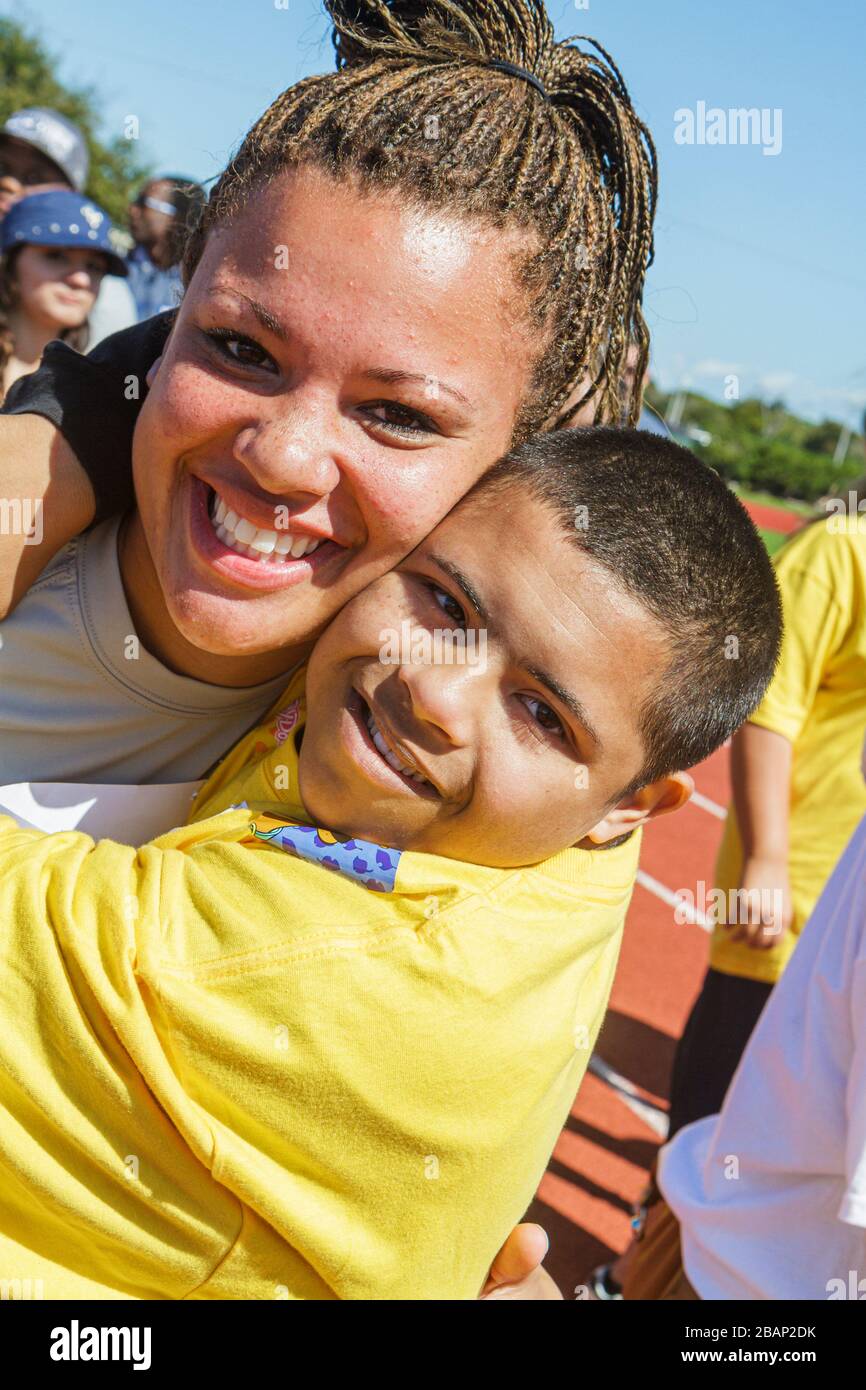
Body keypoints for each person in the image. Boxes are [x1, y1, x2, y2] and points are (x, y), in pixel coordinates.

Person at [0, 427, 782, 1299]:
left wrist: (57, 443)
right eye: (447, 604)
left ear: (628, 808)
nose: (434, 691)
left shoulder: (296, 966)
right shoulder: (557, 824)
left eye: (541, 714)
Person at [0, 0, 658, 782]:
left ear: (523, 449)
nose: (283, 460)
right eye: (240, 348)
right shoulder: (33, 507)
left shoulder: (506, 763)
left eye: (398, 415)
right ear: (181, 297)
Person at [623, 774, 866, 1300]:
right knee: (707, 1095)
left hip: (738, 1256)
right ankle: (629, 1256)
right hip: (762, 1285)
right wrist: (766, 860)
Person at [0, 107, 137, 347]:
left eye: (34, 177)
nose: (8, 183)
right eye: (2, 169)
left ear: (72, 194)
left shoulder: (100, 293)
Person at [0, 189, 129, 402]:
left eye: (94, 266)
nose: (81, 280)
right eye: (56, 256)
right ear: (10, 263)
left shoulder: (100, 387)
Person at [125, 174, 205, 321]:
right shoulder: (119, 271)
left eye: (143, 203)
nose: (132, 210)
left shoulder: (197, 287)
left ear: (177, 217)